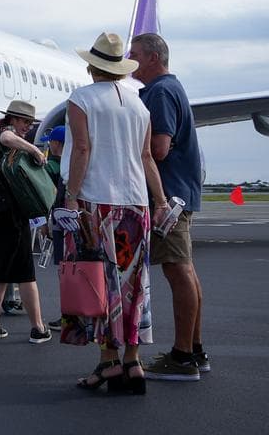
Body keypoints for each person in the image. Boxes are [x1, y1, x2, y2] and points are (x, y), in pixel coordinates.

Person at [59, 32, 171, 395]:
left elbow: (82, 149)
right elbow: (146, 157)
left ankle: (108, 362)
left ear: (92, 66)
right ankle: (133, 362)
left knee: (99, 283)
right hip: (136, 204)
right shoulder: (140, 105)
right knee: (134, 285)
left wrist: (71, 198)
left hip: (97, 201)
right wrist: (161, 201)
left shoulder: (82, 99)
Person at [130, 32, 209, 381]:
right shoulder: (169, 88)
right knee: (186, 272)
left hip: (169, 197)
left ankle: (181, 358)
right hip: (181, 193)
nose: (130, 60)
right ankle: (194, 350)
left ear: (151, 58)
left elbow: (159, 148)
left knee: (177, 272)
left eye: (134, 54)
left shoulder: (160, 92)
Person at [0, 99, 51, 343]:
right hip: (9, 212)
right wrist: (34, 150)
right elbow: (8, 138)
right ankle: (38, 328)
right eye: (26, 123)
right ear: (14, 119)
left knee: (2, 271)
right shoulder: (4, 133)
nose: (27, 128)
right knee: (25, 272)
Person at [41, 125, 67, 331]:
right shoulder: (73, 165)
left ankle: (68, 315)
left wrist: (42, 222)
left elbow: (43, 196)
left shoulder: (49, 167)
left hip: (59, 223)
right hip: (76, 221)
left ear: (56, 143)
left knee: (65, 271)